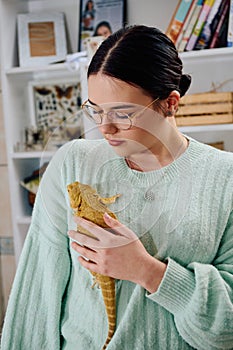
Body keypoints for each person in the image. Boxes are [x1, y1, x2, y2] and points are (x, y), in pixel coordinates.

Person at [1, 25, 233, 350]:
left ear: (170, 103)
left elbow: (227, 328)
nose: (104, 128)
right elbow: (37, 293)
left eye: (123, 114)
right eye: (95, 109)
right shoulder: (73, 163)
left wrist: (146, 270)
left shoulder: (226, 178)